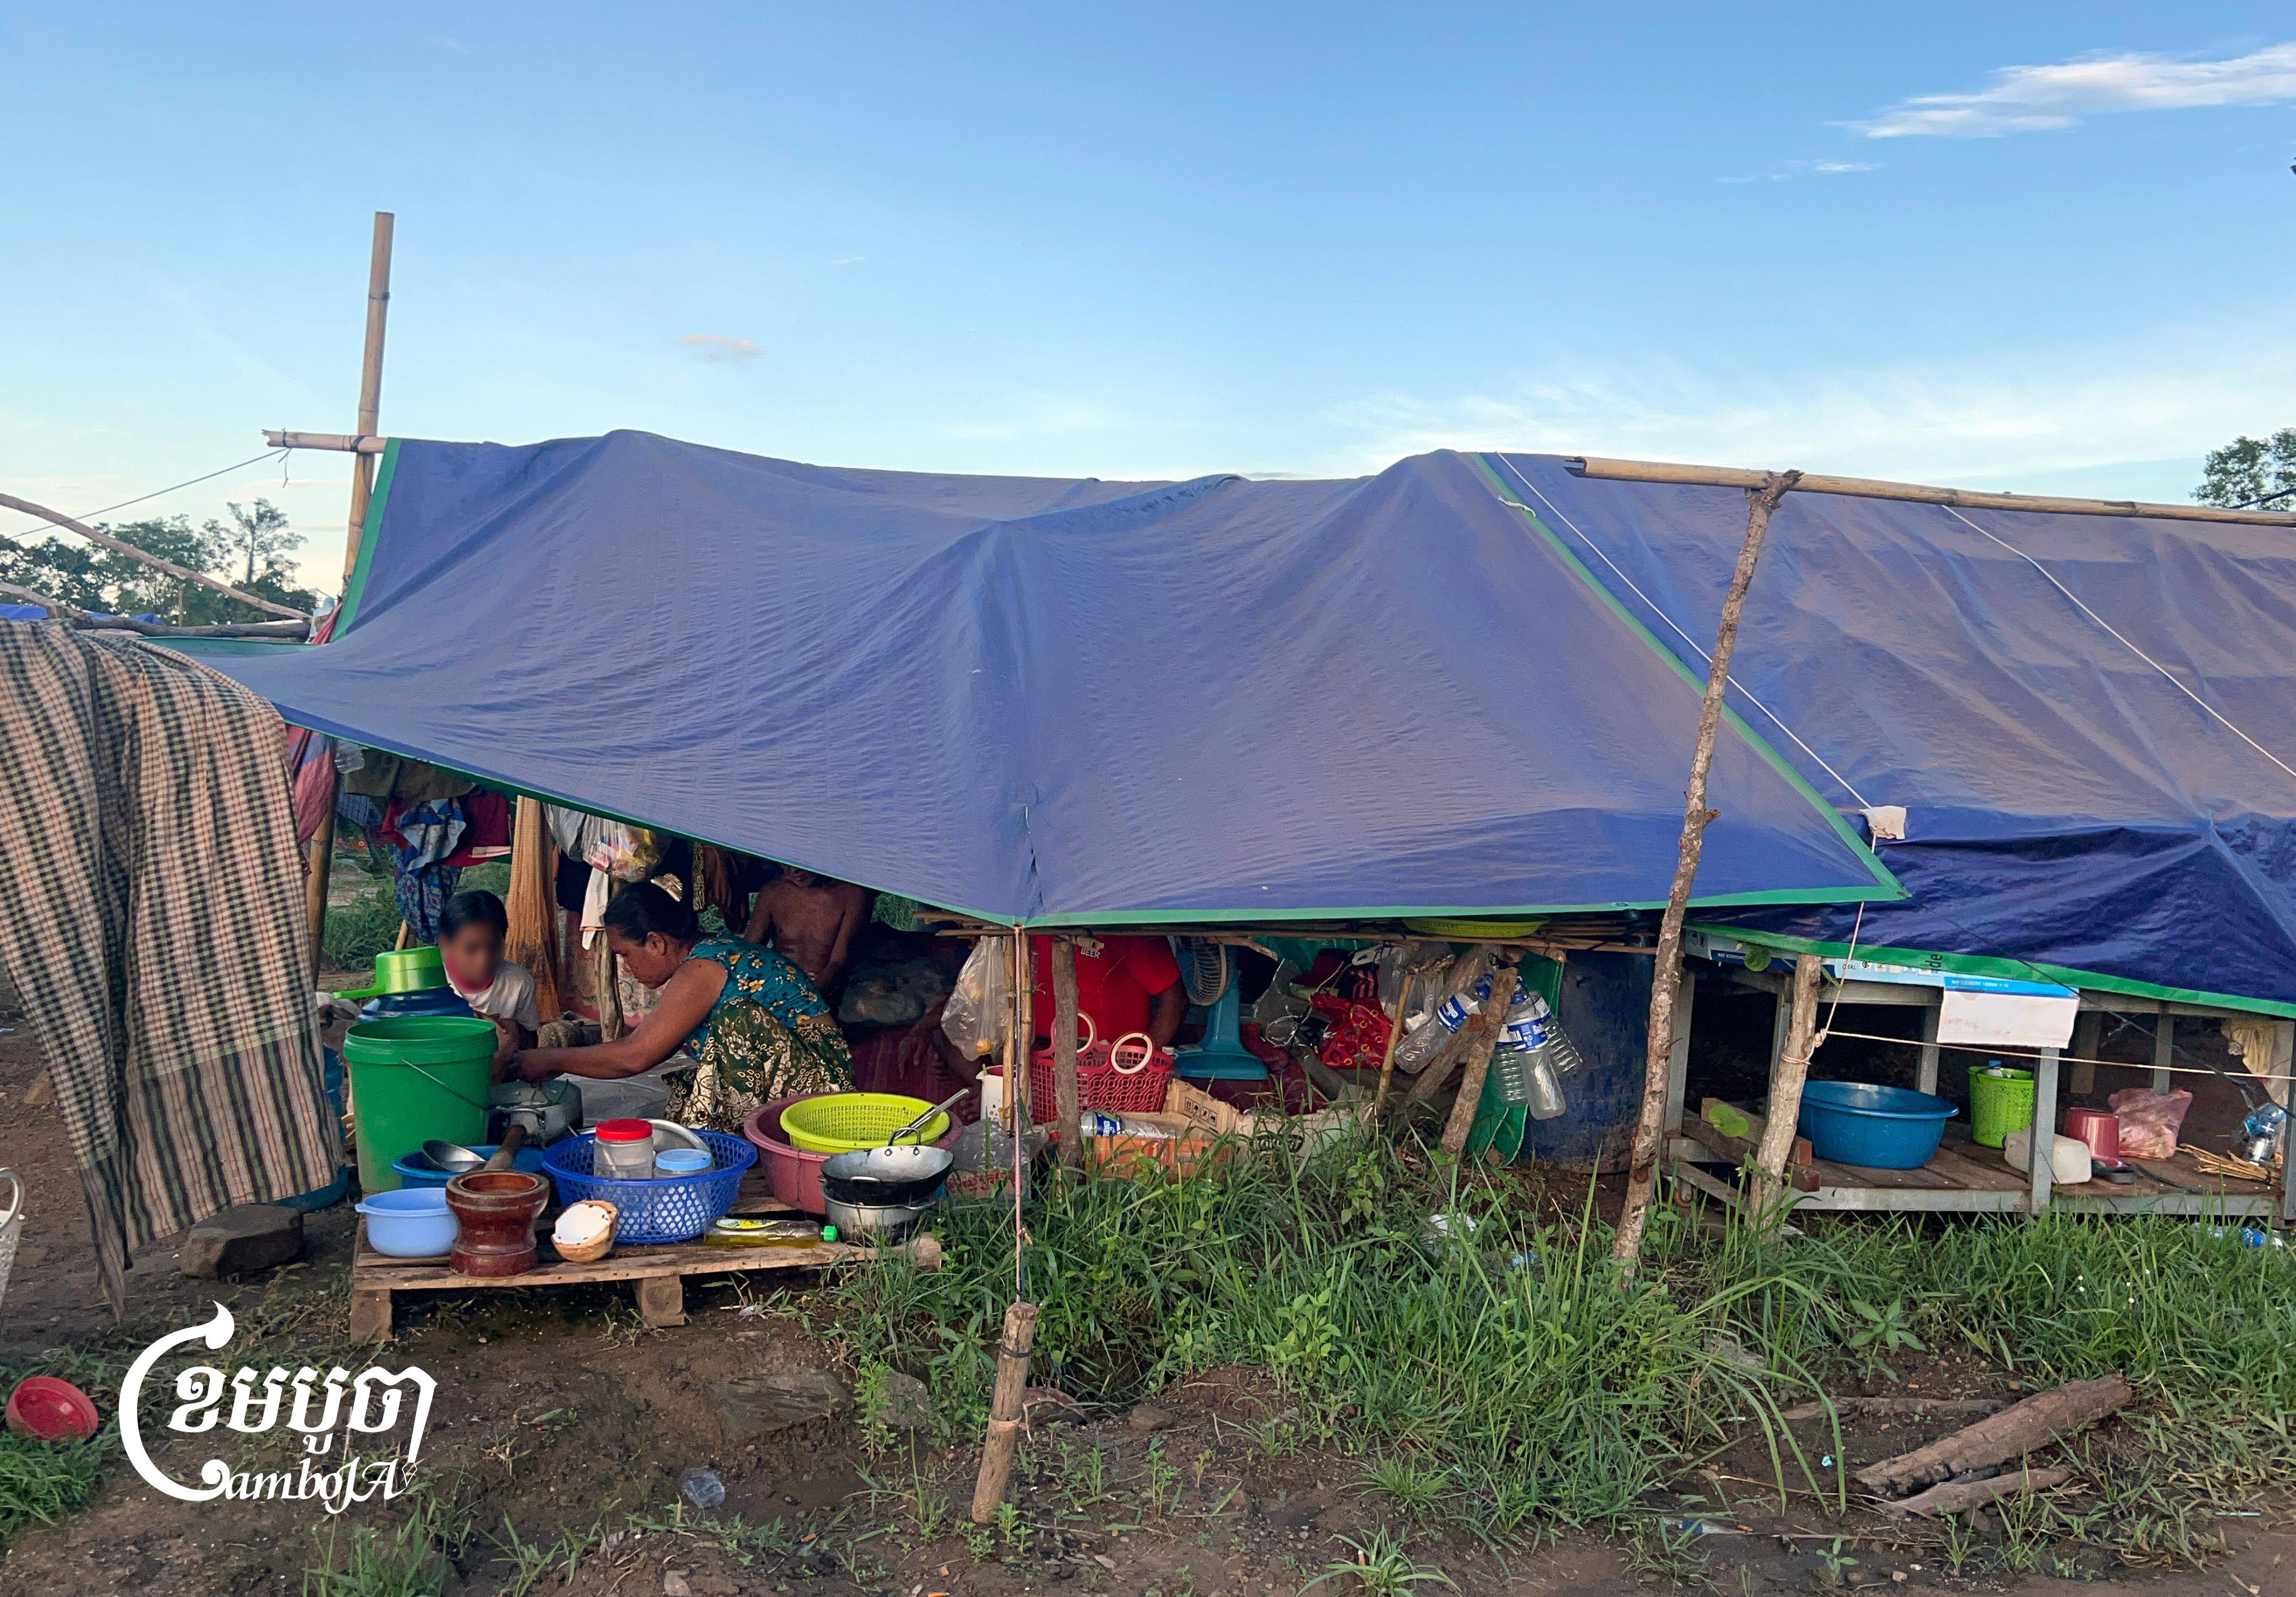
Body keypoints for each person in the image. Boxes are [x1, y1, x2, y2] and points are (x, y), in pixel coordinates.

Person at [505, 881, 854, 1130]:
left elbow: (634, 1056)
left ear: (655, 943)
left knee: (735, 1024)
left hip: (822, 1089)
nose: (627, 968)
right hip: (809, 1079)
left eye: (626, 955)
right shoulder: (709, 955)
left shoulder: (705, 966)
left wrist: (549, 1059)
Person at [1028, 934, 1187, 1048]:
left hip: (1110, 1059)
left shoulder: (1126, 931)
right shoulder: (1030, 928)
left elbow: (1175, 1000)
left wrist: (1146, 1060)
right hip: (1036, 1051)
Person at [437, 889, 539, 1063]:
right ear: (445, 944)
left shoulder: (518, 982)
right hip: (442, 1065)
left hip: (495, 1070)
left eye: (494, 947)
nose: (484, 960)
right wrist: (473, 1018)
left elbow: (530, 1041)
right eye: (471, 949)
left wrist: (509, 1034)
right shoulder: (434, 982)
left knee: (508, 1033)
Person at [745, 866, 868, 996]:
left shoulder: (852, 895)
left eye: (799, 861)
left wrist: (806, 998)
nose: (794, 870)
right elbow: (750, 951)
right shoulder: (773, 890)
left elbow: (837, 964)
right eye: (787, 862)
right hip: (777, 980)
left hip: (823, 988)